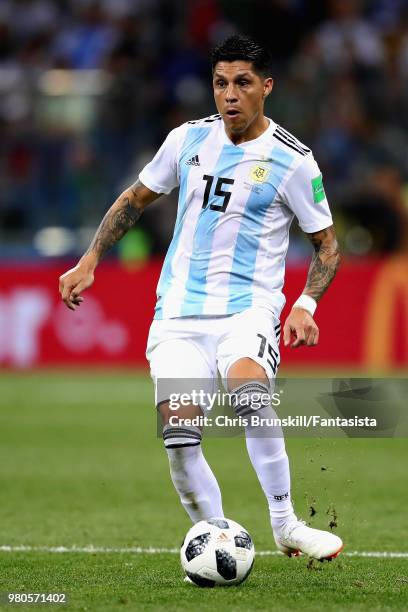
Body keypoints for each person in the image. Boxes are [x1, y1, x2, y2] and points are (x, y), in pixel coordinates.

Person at [59, 35, 342, 562]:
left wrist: (305, 304)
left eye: (242, 83)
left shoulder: (293, 160)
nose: (229, 95)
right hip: (178, 316)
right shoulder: (187, 140)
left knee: (249, 393)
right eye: (220, 83)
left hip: (247, 311)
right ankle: (216, 539)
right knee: (180, 435)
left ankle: (285, 524)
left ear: (266, 87)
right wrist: (90, 258)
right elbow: (134, 199)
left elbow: (326, 245)